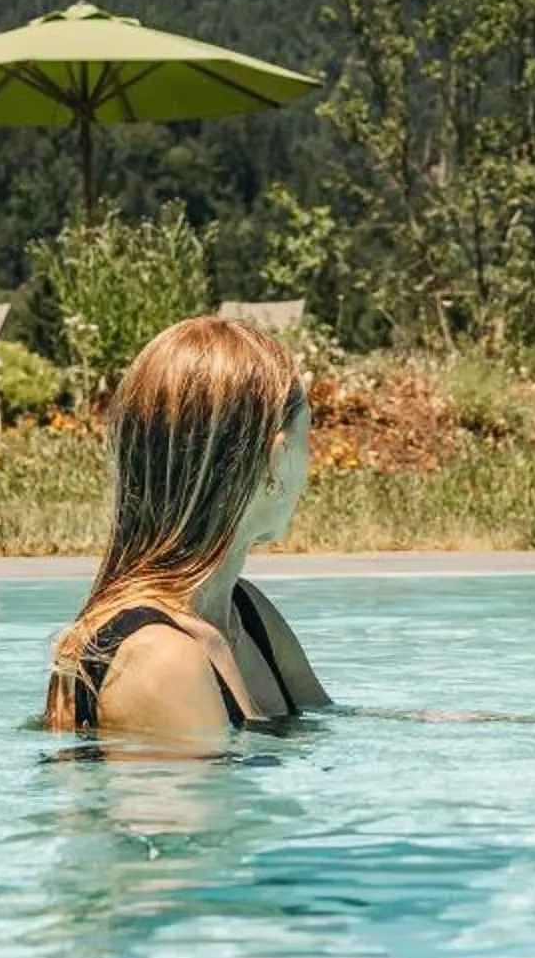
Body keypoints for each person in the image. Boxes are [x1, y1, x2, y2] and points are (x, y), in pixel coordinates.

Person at [41, 316, 331, 738]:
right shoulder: (160, 658)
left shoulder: (243, 613)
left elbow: (329, 726)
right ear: (276, 461)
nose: (311, 465)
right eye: (309, 438)